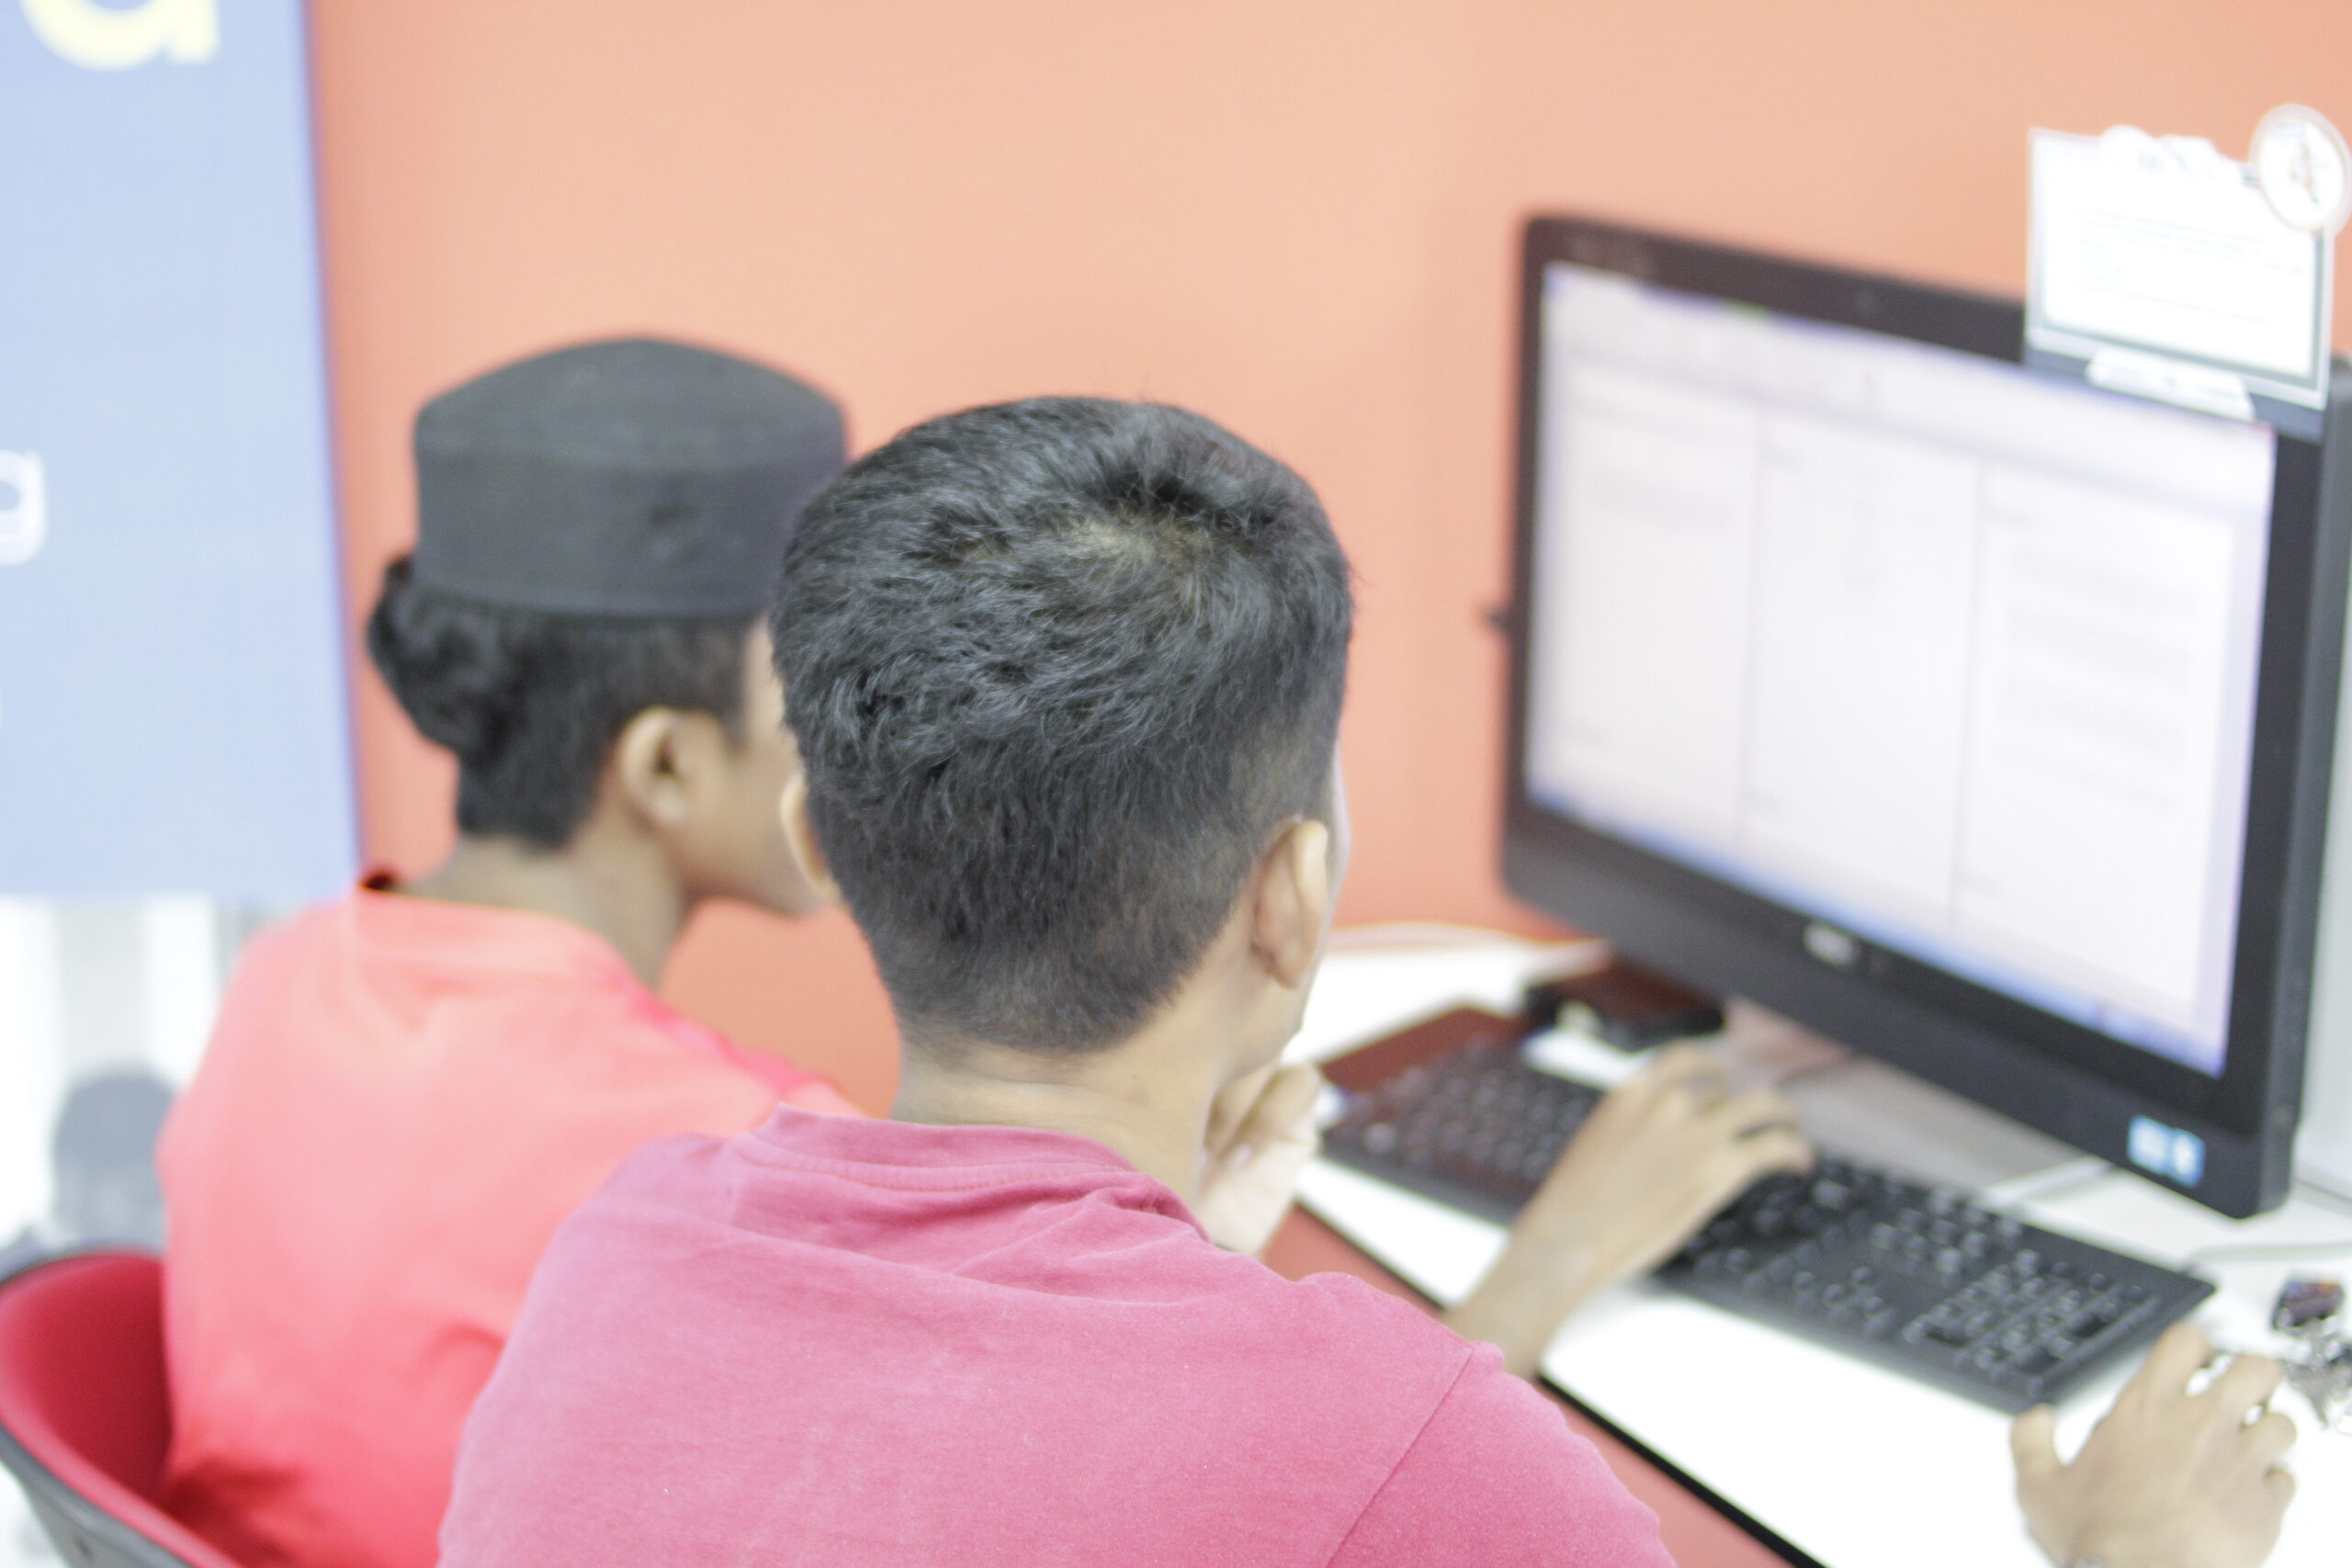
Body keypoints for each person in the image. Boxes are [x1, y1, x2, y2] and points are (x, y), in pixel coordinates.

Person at [438, 400, 2296, 1568]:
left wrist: (1204, 1262)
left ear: (821, 839)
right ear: (1293, 901)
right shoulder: (1403, 1456)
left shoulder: (618, 1254)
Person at [156, 339, 863, 1568]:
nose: (865, 736)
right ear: (667, 765)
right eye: (825, 687)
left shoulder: (279, 977)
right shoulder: (753, 1156)